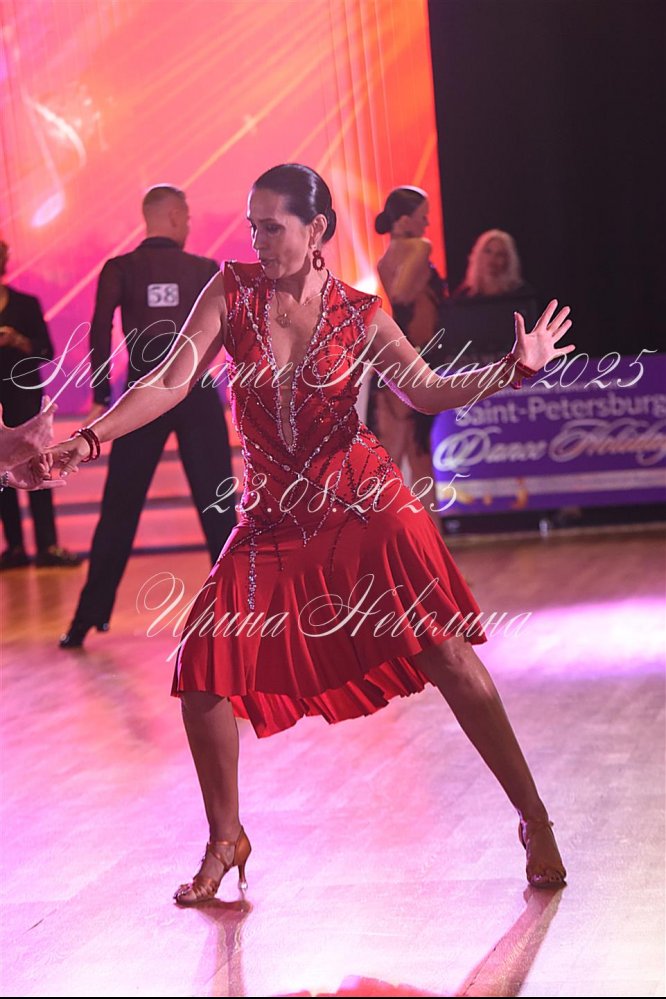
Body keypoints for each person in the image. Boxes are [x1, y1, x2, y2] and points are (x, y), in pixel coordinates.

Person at [45, 164, 573, 901]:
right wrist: (90, 438)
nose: (258, 241)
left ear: (316, 228)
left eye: (273, 227)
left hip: (364, 504)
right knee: (203, 667)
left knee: (447, 654)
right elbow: (169, 380)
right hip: (273, 518)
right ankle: (226, 837)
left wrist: (511, 370)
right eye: (252, 226)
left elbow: (424, 390)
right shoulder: (230, 291)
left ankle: (534, 815)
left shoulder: (360, 313)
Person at [58, 185, 236, 648]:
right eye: (187, 217)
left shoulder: (121, 269)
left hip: (141, 397)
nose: (189, 224)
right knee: (218, 507)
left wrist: (101, 393)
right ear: (174, 216)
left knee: (119, 508)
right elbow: (227, 331)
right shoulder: (204, 270)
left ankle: (86, 619)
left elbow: (100, 328)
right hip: (196, 393)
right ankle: (239, 615)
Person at [369, 187, 448, 533]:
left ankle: (415, 540)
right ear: (403, 221)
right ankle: (424, 541)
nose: (427, 224)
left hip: (400, 356)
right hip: (417, 357)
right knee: (411, 454)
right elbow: (401, 294)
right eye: (422, 217)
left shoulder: (383, 260)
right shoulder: (420, 247)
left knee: (399, 454)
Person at [0, 241, 80, 569]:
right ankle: (15, 547)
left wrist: (18, 341)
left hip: (25, 398)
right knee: (1, 474)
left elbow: (47, 350)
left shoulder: (26, 304)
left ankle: (47, 545)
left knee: (37, 466)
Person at [453, 229, 535, 299]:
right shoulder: (464, 295)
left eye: (500, 254)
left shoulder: (521, 293)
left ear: (508, 260)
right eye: (488, 251)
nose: (492, 259)